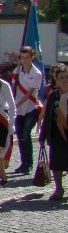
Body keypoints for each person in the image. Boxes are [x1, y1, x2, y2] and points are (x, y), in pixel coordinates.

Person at [12, 46, 43, 175]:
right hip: (18, 110)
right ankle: (23, 163)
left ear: (32, 58)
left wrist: (15, 104)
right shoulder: (18, 70)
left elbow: (29, 94)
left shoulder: (36, 74)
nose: (24, 60)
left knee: (25, 135)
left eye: (27, 58)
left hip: (30, 108)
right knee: (20, 136)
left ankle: (29, 163)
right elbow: (13, 85)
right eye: (22, 57)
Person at [39, 63, 68, 201]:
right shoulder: (53, 96)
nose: (64, 80)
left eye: (67, 77)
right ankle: (58, 189)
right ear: (56, 80)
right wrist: (42, 135)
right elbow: (48, 117)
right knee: (56, 164)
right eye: (61, 77)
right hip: (57, 134)